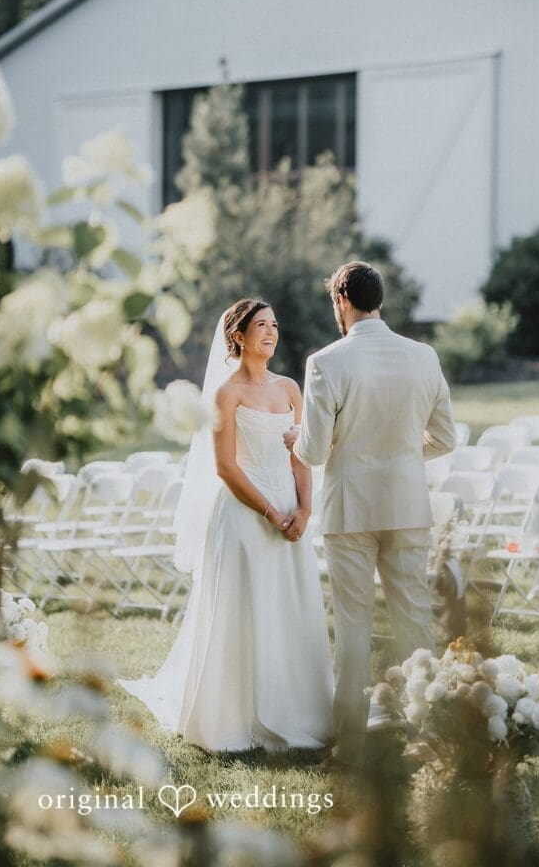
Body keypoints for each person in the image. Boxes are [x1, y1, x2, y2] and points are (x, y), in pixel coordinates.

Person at [120, 298, 334, 752]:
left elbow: (304, 455)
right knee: (244, 608)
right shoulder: (227, 394)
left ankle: (297, 706)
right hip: (243, 514)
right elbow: (226, 467)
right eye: (261, 325)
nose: (271, 333)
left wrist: (304, 510)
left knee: (289, 608)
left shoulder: (291, 389)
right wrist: (272, 513)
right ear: (237, 336)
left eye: (275, 325)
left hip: (291, 511)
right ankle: (233, 714)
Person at [284, 262, 456, 768]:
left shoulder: (325, 362)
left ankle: (351, 749)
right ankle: (430, 739)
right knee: (415, 624)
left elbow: (313, 453)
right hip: (407, 506)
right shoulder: (423, 356)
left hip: (351, 512)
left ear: (341, 301)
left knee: (354, 630)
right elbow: (445, 437)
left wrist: (296, 440)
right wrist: (401, 454)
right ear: (378, 299)